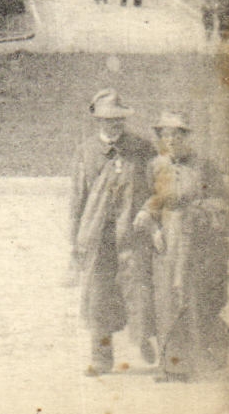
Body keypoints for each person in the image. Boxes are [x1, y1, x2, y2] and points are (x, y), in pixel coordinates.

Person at [133, 112, 227, 381]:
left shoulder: (203, 166)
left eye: (176, 134)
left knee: (190, 299)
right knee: (164, 300)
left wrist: (197, 211)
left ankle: (188, 364)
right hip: (165, 239)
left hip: (197, 241)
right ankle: (168, 365)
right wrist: (152, 226)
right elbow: (151, 198)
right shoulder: (155, 165)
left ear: (186, 136)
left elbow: (220, 200)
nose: (171, 140)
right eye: (165, 135)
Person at [69, 89, 155, 376]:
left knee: (139, 289)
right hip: (99, 236)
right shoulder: (86, 151)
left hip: (132, 233)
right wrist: (75, 245)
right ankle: (101, 358)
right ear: (98, 121)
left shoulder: (142, 148)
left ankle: (144, 338)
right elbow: (77, 200)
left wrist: (150, 217)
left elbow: (157, 188)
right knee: (98, 297)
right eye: (107, 119)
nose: (113, 124)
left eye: (118, 119)